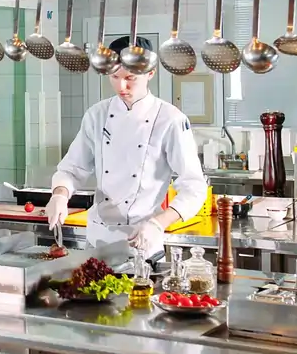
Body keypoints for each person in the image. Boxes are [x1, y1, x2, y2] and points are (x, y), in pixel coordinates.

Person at [46, 38, 205, 255]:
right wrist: (60, 195)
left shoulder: (170, 120)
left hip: (143, 239)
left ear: (150, 73)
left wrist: (158, 224)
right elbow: (72, 169)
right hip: (98, 240)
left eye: (130, 78)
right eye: (115, 77)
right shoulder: (97, 115)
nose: (122, 86)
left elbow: (194, 187)